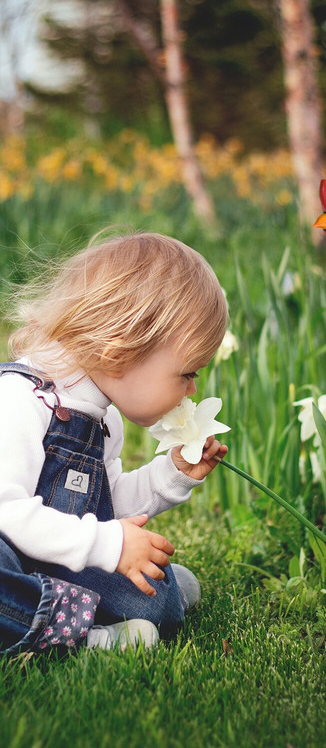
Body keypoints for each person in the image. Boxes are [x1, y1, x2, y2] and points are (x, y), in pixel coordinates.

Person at [0, 232, 229, 654]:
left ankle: (125, 605)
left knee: (157, 602)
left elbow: (104, 506)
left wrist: (171, 475)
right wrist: (108, 545)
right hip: (9, 563)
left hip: (50, 560)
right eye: (186, 373)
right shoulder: (20, 400)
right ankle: (85, 637)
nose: (192, 389)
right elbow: (7, 512)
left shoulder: (103, 419)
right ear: (118, 352)